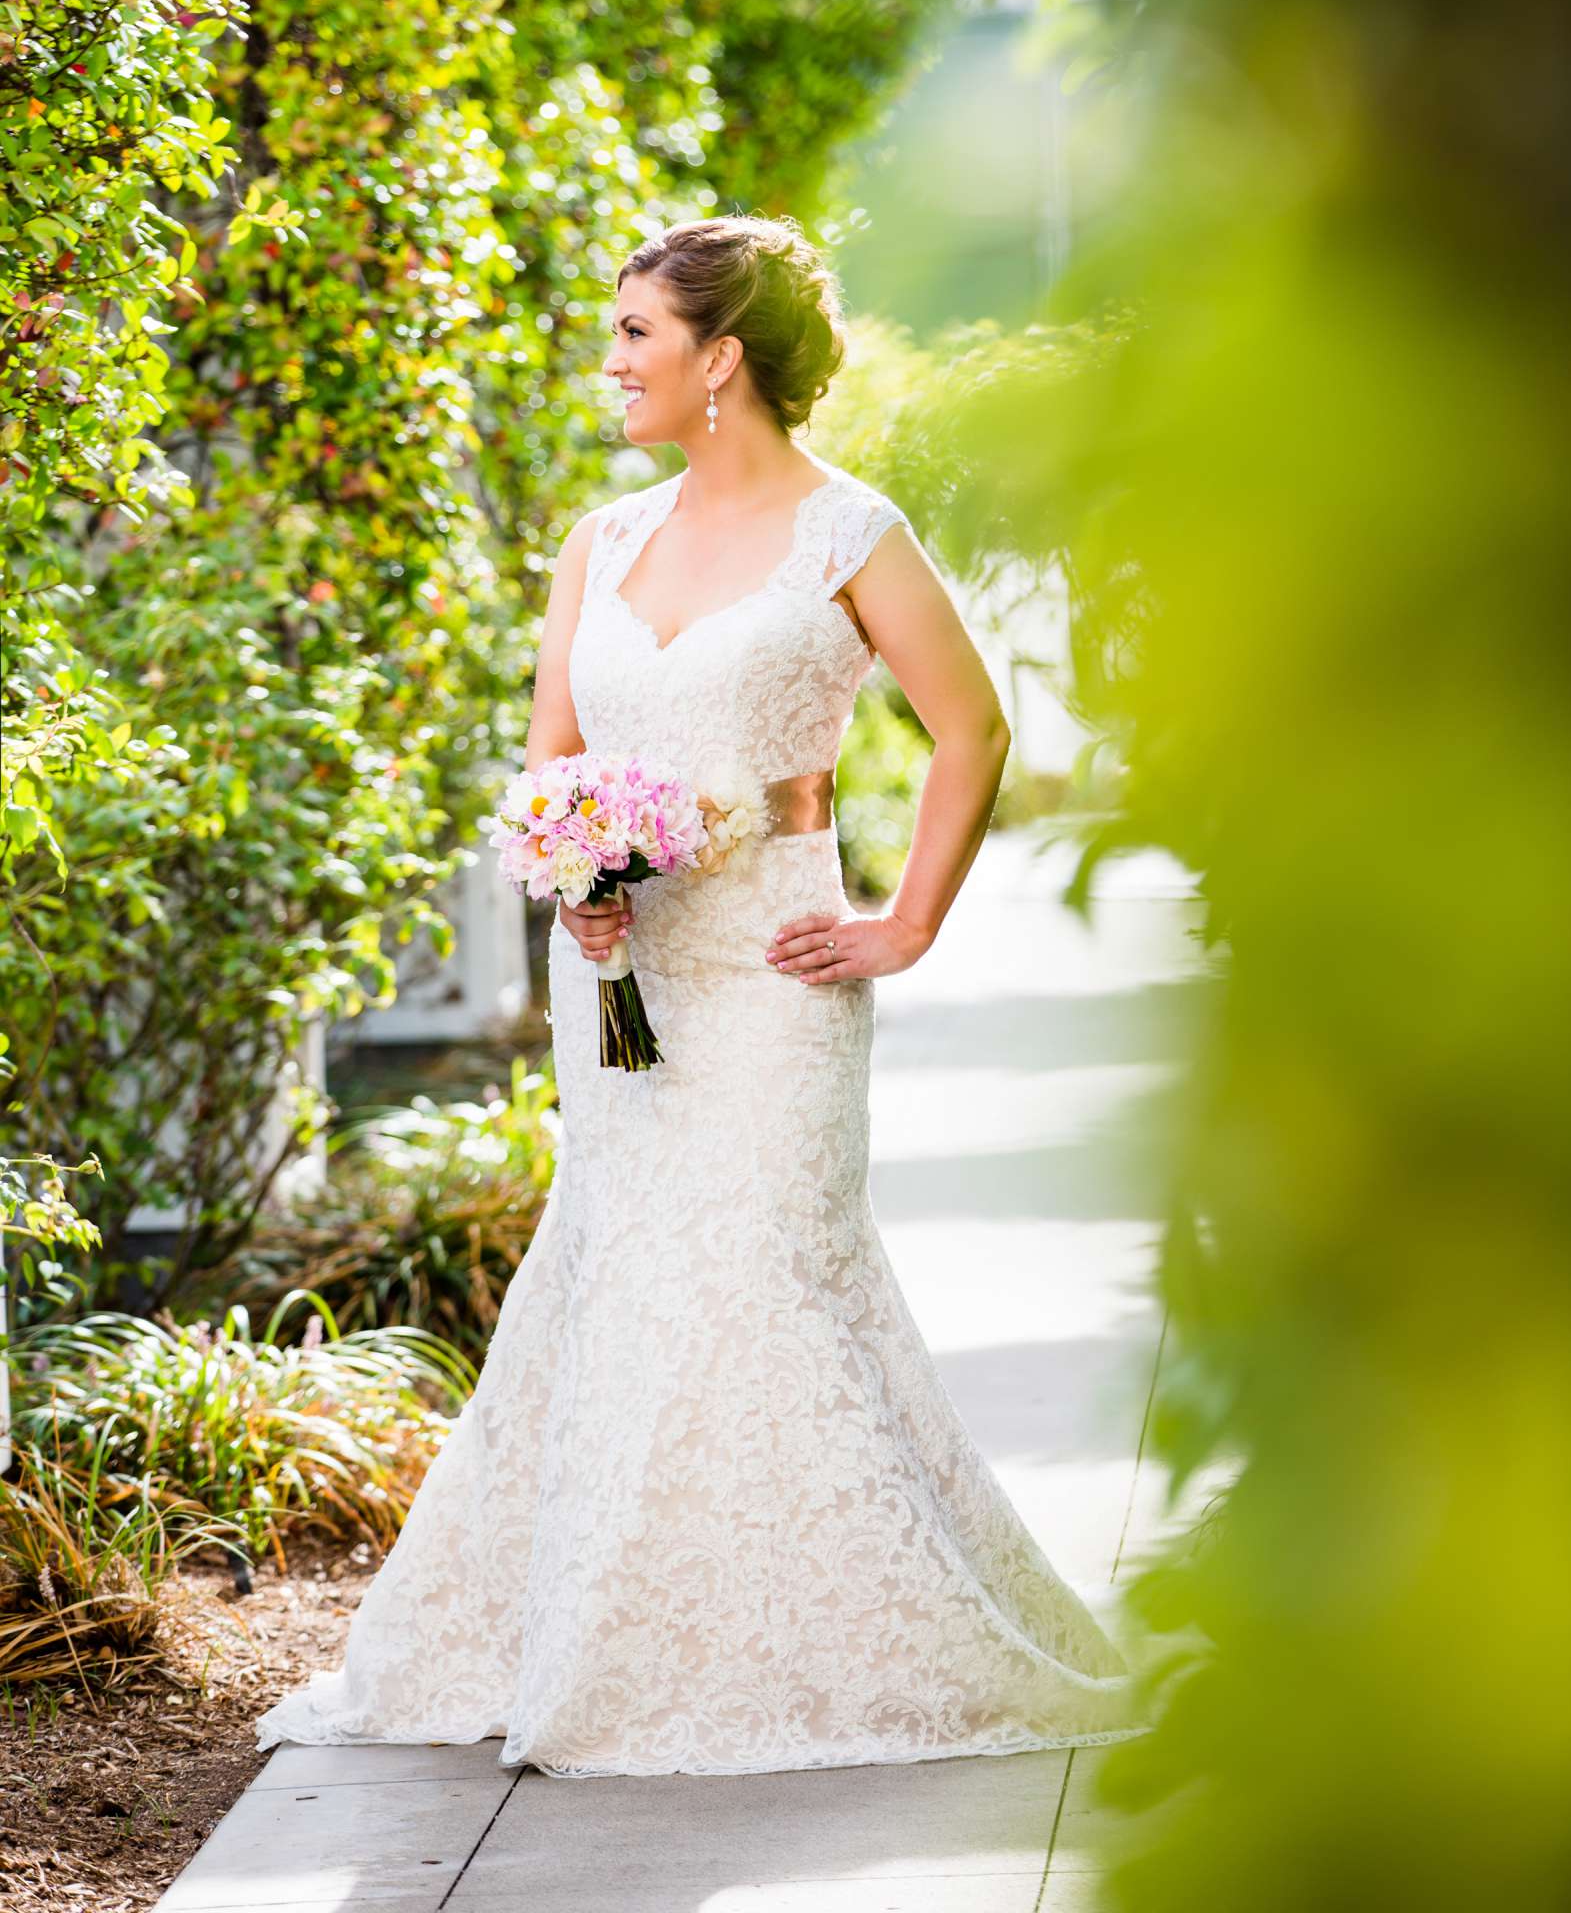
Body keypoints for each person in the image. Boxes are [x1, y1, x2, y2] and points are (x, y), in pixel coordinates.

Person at [256, 214, 1145, 1775]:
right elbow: (553, 760)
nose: (607, 366)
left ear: (719, 359)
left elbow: (973, 730)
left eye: (633, 339)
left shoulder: (850, 532)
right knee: (622, 1277)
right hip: (621, 971)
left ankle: (819, 1649)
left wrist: (907, 924)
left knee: (766, 1276)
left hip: (778, 966)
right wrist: (575, 881)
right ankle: (608, 1631)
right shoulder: (599, 542)